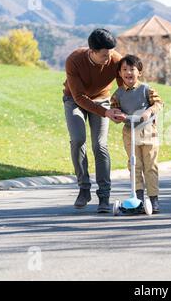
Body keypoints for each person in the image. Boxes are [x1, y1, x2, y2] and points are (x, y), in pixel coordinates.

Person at [63, 28, 124, 213]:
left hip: (102, 100)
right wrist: (105, 113)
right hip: (75, 100)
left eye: (110, 53)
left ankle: (104, 196)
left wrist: (120, 109)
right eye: (104, 55)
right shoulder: (74, 60)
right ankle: (84, 188)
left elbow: (123, 88)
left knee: (100, 145)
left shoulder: (115, 59)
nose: (109, 58)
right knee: (78, 139)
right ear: (92, 51)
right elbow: (80, 97)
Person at [110, 55, 164, 214]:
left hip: (148, 132)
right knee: (134, 165)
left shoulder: (146, 89)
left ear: (139, 72)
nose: (128, 73)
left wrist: (148, 112)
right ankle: (138, 198)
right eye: (124, 70)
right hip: (130, 132)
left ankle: (153, 199)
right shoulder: (118, 94)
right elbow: (114, 111)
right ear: (120, 73)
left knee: (150, 165)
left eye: (132, 69)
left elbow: (159, 103)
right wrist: (118, 116)